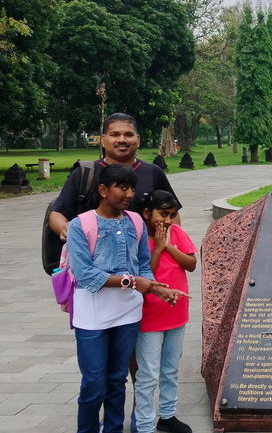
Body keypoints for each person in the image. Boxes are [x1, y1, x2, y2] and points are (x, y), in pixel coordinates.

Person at [68, 165, 188, 433]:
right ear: (103, 190)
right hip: (92, 316)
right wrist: (132, 282)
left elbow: (143, 265)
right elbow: (86, 275)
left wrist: (158, 288)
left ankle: (113, 429)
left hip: (128, 315)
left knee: (117, 379)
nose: (129, 193)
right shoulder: (81, 224)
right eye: (123, 187)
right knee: (93, 382)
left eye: (132, 188)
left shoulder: (135, 222)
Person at [49, 112, 181, 244]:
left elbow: (173, 213)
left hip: (144, 257)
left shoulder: (153, 172)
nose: (122, 140)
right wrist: (66, 229)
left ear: (138, 140)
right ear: (103, 140)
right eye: (115, 135)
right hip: (93, 256)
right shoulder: (85, 173)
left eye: (128, 135)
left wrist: (175, 244)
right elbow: (57, 213)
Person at [134, 191, 197, 433]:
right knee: (148, 374)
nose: (168, 221)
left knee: (170, 369)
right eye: (163, 214)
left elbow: (191, 264)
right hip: (149, 318)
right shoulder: (138, 239)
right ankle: (145, 424)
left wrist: (169, 245)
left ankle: (167, 414)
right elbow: (144, 276)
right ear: (147, 213)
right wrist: (158, 248)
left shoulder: (177, 233)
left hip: (177, 315)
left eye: (172, 215)